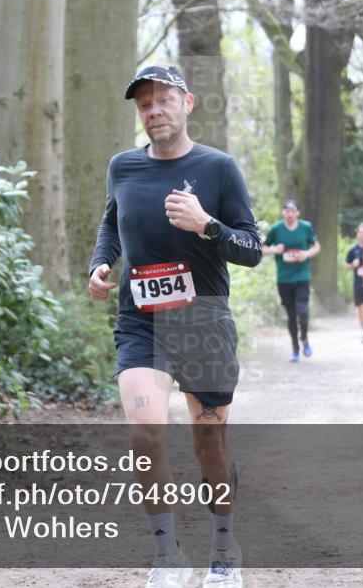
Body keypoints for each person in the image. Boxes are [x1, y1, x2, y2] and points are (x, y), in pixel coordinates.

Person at [89, 63, 261, 587]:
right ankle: (167, 556)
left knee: (210, 441)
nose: (153, 111)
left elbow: (252, 250)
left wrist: (207, 224)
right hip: (140, 321)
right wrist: (101, 263)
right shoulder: (122, 166)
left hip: (203, 318)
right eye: (144, 104)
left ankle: (225, 549)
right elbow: (110, 220)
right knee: (145, 433)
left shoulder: (219, 168)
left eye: (163, 99)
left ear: (187, 103)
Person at [262, 199, 319, 362]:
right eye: (287, 210)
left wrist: (306, 254)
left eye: (293, 210)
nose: (290, 213)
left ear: (298, 213)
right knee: (291, 316)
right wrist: (274, 249)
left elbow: (316, 246)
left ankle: (305, 338)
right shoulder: (276, 229)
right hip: (284, 279)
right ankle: (295, 347)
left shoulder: (306, 227)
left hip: (302, 277)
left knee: (303, 311)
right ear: (283, 212)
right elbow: (262, 248)